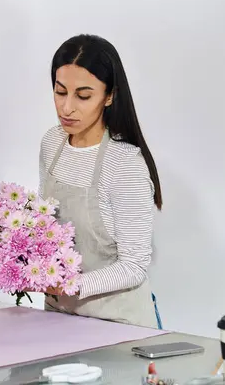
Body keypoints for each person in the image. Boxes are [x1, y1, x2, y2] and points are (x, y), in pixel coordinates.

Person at [35, 34, 162, 328]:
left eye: (83, 96)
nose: (67, 108)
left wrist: (71, 285)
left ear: (109, 95)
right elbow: (46, 225)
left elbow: (134, 266)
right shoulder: (52, 143)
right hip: (58, 316)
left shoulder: (124, 163)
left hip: (118, 323)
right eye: (59, 91)